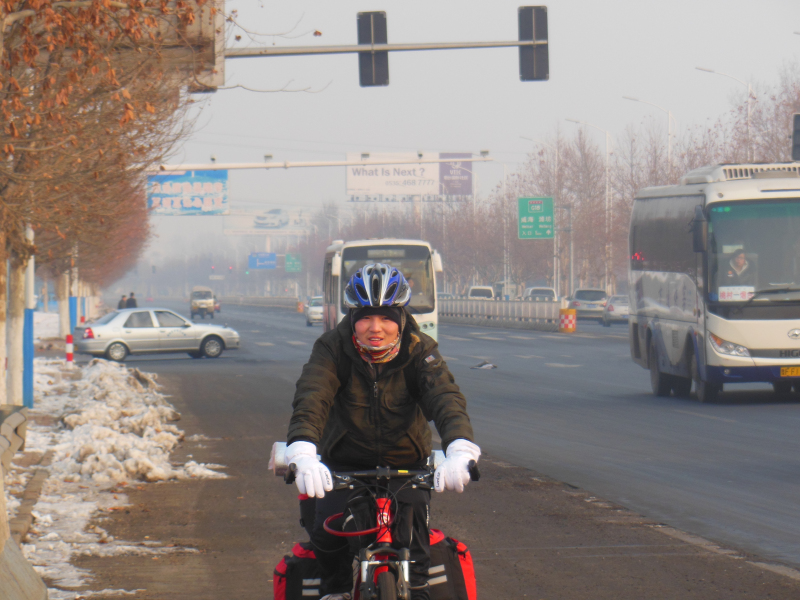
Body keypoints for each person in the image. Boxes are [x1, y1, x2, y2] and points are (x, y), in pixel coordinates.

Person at [286, 263, 480, 600]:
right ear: (352, 318)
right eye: (365, 317)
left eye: (387, 317)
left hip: (407, 467)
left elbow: (444, 397)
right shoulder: (332, 348)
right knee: (326, 536)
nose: (376, 328)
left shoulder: (420, 349)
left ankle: (415, 589)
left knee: (416, 546)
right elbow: (312, 397)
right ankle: (336, 591)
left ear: (401, 318)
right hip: (344, 467)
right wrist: (302, 450)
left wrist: (460, 446)